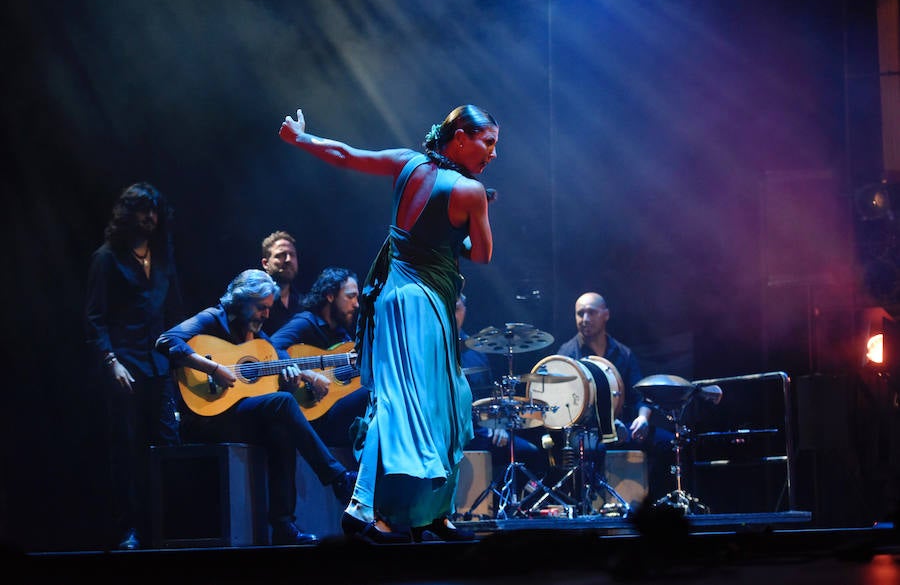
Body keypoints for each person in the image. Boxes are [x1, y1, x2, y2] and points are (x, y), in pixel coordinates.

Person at [279, 104, 498, 543]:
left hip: (391, 297)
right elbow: (481, 254)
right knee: (421, 406)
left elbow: (346, 154)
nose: (493, 153)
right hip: (425, 305)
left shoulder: (407, 162)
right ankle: (364, 511)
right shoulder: (470, 191)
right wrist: (469, 221)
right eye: (487, 142)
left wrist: (300, 138)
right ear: (460, 138)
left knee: (428, 400)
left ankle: (429, 516)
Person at [155, 269, 357, 545]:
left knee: (281, 429)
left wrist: (298, 377)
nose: (266, 315)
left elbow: (278, 359)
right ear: (241, 301)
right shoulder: (212, 319)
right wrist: (213, 368)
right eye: (261, 308)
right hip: (205, 419)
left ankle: (283, 526)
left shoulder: (257, 337)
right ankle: (337, 478)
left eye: (269, 309)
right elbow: (166, 340)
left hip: (236, 416)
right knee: (282, 405)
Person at [84, 181, 185, 550]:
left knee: (168, 446)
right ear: (128, 214)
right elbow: (94, 319)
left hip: (159, 368)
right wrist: (111, 362)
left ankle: (168, 526)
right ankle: (127, 530)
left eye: (154, 211)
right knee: (125, 452)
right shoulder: (107, 257)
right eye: (143, 210)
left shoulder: (163, 261)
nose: (149, 217)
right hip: (124, 366)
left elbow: (176, 314)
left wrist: (182, 361)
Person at [555, 292, 672, 505]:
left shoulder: (623, 353)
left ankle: (653, 505)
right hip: (586, 430)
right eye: (580, 314)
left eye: (591, 312)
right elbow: (564, 405)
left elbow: (641, 396)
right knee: (594, 449)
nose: (585, 319)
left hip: (622, 426)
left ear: (606, 315)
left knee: (667, 443)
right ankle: (597, 508)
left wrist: (643, 419)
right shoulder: (567, 354)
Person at [457, 293, 548, 499]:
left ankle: (501, 504)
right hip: (445, 434)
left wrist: (498, 425)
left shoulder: (477, 350)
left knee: (531, 454)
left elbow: (489, 394)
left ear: (465, 310)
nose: (453, 315)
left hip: (479, 432)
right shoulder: (430, 347)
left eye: (457, 309)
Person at [269, 266, 370, 448]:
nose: (356, 304)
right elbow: (270, 348)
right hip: (308, 417)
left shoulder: (343, 337)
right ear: (330, 296)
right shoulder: (305, 322)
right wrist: (309, 375)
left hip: (333, 414)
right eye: (350, 296)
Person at [260, 230, 303, 334]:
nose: (288, 260)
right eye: (281, 255)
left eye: (292, 255)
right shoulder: (255, 300)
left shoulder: (303, 303)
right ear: (265, 263)